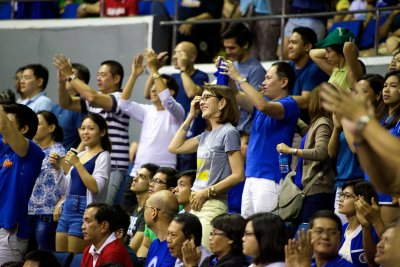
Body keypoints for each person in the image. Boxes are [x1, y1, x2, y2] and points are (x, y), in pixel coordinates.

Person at [168, 84, 244, 250]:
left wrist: (207, 192)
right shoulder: (205, 135)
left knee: (202, 255)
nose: (202, 101)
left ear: (222, 103)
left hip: (212, 204)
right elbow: (174, 147)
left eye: (207, 97)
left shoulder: (228, 132)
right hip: (196, 203)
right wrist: (190, 115)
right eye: (201, 98)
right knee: (188, 254)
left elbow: (238, 175)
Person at [220, 60, 299, 217]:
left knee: (265, 232)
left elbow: (263, 106)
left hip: (270, 177)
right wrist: (227, 73)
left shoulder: (289, 104)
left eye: (268, 78)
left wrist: (240, 78)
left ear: (284, 82)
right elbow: (235, 94)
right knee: (248, 229)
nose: (263, 83)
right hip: (251, 176)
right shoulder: (262, 105)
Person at [53, 54, 130, 205]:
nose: (98, 78)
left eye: (103, 75)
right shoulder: (94, 100)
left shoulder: (120, 98)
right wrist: (62, 82)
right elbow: (66, 103)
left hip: (113, 165)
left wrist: (71, 74)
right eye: (97, 75)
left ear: (116, 79)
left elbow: (92, 97)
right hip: (89, 162)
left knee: (100, 209)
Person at [143, 41, 209, 172]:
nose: (174, 57)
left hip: (192, 134)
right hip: (174, 136)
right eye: (174, 53)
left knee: (186, 174)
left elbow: (191, 92)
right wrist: (155, 69)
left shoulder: (200, 75)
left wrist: (183, 69)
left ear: (192, 57)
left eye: (179, 53)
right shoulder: (174, 77)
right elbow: (147, 94)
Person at [51, 114, 111, 253]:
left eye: (90, 128)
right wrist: (58, 169)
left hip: (84, 210)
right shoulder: (81, 154)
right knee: (60, 257)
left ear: (102, 132)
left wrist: (77, 164)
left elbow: (95, 187)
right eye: (82, 128)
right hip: (68, 207)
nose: (85, 132)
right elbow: (66, 188)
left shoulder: (103, 156)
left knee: (75, 259)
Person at [118, 51, 184, 176]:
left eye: (158, 86)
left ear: (172, 92)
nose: (153, 89)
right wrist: (134, 75)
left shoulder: (177, 111)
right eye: (152, 87)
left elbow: (167, 100)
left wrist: (153, 68)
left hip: (163, 172)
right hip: (138, 171)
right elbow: (123, 104)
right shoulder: (147, 110)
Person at [277, 85, 335, 225]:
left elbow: (321, 152)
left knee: (309, 234)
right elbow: (309, 139)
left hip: (317, 190)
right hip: (309, 190)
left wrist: (291, 150)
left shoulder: (323, 123)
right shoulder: (317, 123)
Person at [0, 104, 45, 265]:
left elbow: (4, 126)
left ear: (24, 129)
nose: (2, 129)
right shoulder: (2, 148)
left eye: (9, 124)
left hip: (9, 234)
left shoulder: (32, 151)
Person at [28, 110, 66, 250]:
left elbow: (69, 182)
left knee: (43, 256)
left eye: (37, 124)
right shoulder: (30, 149)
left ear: (51, 128)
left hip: (46, 212)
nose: (33, 127)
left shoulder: (59, 151)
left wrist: (62, 201)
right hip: (27, 211)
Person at [337, 180, 379, 267]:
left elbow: (373, 263)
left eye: (347, 196)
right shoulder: (342, 229)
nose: (340, 199)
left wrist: (365, 226)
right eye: (341, 195)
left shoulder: (374, 229)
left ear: (361, 200)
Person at [287, 27, 329, 112]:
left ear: (308, 47)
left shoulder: (315, 68)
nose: (289, 46)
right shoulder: (289, 65)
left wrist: (278, 100)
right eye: (289, 42)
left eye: (294, 43)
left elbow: (306, 101)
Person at [183, 213, 248, 267]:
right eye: (211, 234)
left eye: (215, 234)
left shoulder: (235, 264)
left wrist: (191, 265)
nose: (210, 238)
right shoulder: (208, 261)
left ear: (231, 238)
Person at [81, 203, 133, 267]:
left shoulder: (114, 253)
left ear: (104, 226)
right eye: (83, 221)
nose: (82, 227)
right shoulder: (88, 251)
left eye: (88, 221)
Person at [52, 62, 89, 150]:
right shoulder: (55, 107)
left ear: (81, 82)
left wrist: (70, 161)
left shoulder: (80, 107)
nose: (65, 78)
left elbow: (85, 140)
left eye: (70, 75)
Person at [127, 163, 159, 253]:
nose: (134, 178)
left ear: (151, 183)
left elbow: (133, 248)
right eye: (136, 174)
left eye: (141, 176)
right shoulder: (133, 209)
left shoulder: (149, 213)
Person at [144, 190, 179, 267]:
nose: (144, 211)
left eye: (145, 208)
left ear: (154, 212)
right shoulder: (154, 244)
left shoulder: (173, 248)